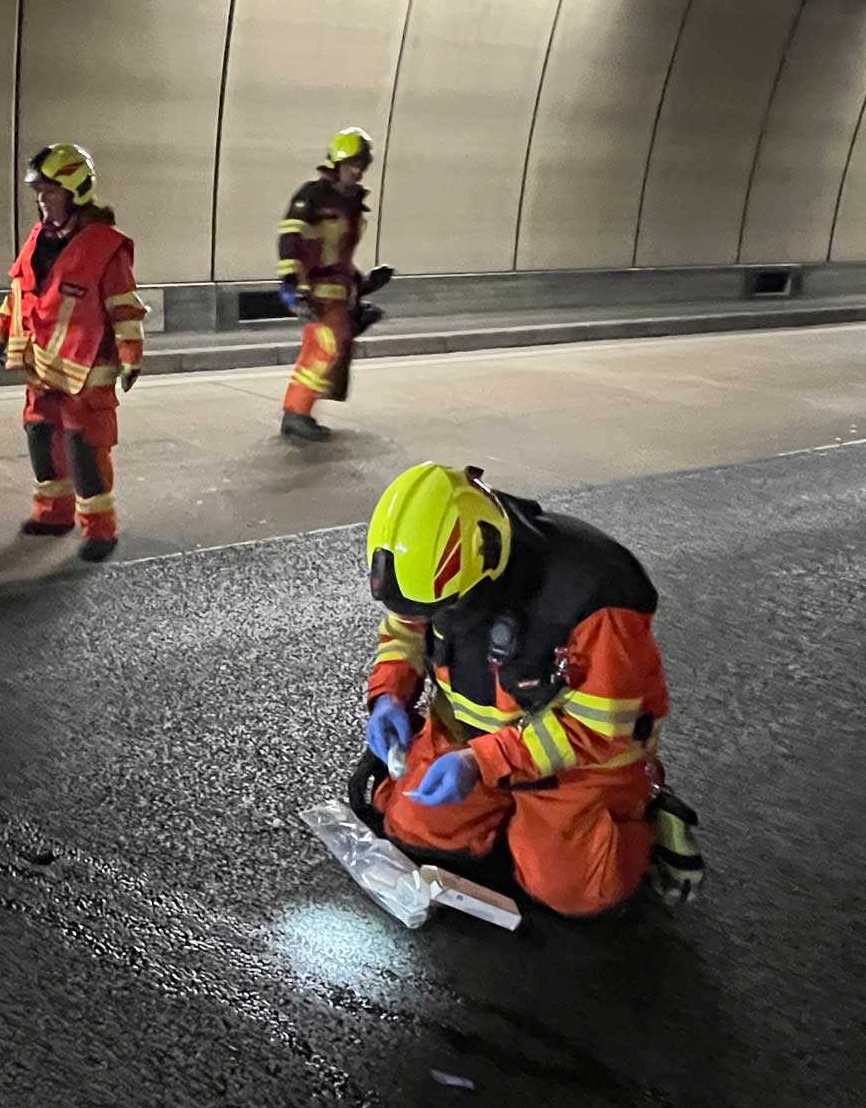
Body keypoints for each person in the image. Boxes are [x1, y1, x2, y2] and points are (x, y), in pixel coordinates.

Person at [356, 462, 705, 917]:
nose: (435, 618)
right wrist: (388, 698)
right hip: (474, 744)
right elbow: (403, 633)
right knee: (414, 828)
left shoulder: (597, 594)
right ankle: (513, 822)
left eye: (444, 609)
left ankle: (645, 818)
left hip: (571, 763)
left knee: (574, 891)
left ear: (484, 558)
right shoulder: (432, 569)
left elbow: (595, 730)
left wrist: (482, 762)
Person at [0, 143, 147, 563]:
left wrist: (131, 353)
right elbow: (20, 292)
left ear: (76, 192)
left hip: (87, 370)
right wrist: (2, 330)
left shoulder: (104, 246)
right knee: (41, 440)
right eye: (40, 192)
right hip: (42, 366)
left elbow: (123, 304)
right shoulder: (38, 239)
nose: (43, 200)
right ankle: (52, 514)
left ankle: (100, 528)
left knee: (85, 449)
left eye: (52, 191)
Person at [277, 127, 392, 442]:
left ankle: (300, 412)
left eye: (362, 165)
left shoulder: (351, 205)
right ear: (337, 162)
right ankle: (296, 414)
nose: (357, 171)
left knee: (335, 348)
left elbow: (341, 257)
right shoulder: (312, 196)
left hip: (339, 291)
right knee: (323, 349)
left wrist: (366, 284)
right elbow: (291, 238)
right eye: (352, 163)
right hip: (313, 290)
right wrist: (290, 282)